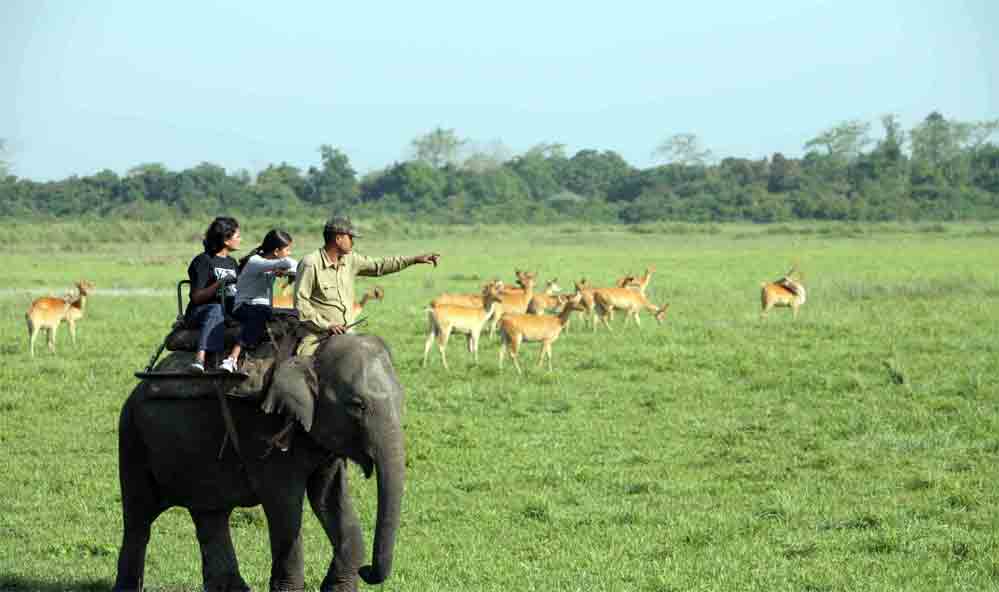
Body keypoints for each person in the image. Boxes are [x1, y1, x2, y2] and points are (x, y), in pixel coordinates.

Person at [294, 215, 440, 356]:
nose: (353, 242)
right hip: (318, 335)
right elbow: (301, 304)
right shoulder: (310, 264)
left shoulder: (351, 259)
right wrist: (327, 325)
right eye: (350, 238)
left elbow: (379, 265)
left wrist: (413, 260)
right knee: (303, 368)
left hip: (347, 332)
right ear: (338, 239)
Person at [219, 229, 298, 372]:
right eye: (287, 249)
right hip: (243, 306)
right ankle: (232, 358)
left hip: (262, 308)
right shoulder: (256, 262)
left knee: (292, 314)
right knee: (260, 312)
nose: (289, 253)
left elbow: (288, 267)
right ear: (276, 251)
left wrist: (287, 273)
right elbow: (289, 262)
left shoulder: (271, 265)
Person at [184, 216, 241, 373]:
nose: (240, 240)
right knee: (216, 309)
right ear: (226, 240)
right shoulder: (203, 261)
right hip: (201, 312)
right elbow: (196, 297)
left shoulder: (232, 263)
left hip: (226, 313)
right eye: (237, 236)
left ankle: (232, 359)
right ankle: (200, 359)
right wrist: (220, 283)